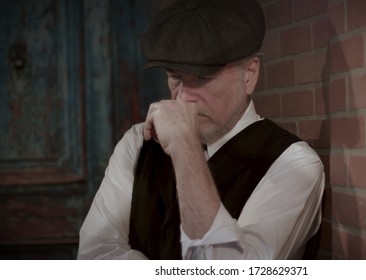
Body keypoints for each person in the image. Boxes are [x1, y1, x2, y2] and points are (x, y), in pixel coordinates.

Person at [77, 0, 324, 260]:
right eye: (175, 77)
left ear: (249, 75)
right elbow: (94, 256)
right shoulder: (138, 143)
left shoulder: (293, 164)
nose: (183, 98)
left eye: (202, 78)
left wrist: (185, 147)